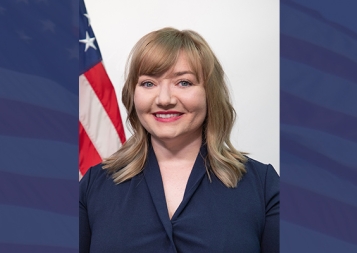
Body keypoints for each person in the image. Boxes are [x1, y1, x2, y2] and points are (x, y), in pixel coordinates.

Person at [79, 27, 279, 253]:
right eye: (148, 83)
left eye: (183, 82)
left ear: (209, 94)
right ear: (133, 95)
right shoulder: (94, 185)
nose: (164, 99)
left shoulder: (263, 187)